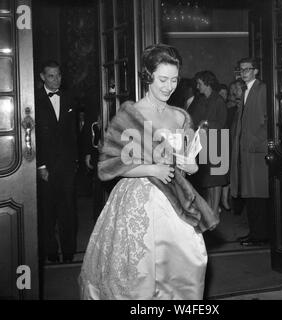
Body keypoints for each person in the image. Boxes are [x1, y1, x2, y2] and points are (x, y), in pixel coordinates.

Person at [79, 44, 219, 300]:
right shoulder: (131, 114)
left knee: (189, 260)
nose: (168, 86)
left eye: (174, 80)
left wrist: (190, 165)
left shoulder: (181, 117)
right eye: (162, 79)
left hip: (175, 196)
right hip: (139, 198)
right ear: (148, 77)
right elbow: (108, 166)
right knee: (141, 271)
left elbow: (191, 163)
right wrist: (151, 167)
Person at [35, 60, 78, 263]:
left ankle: (69, 252)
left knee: (68, 209)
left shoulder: (69, 97)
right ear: (43, 77)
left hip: (67, 164)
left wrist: (77, 158)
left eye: (59, 75)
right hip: (46, 165)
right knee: (47, 210)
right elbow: (32, 135)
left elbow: (74, 132)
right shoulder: (33, 99)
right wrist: (40, 165)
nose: (56, 79)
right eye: (51, 76)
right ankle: (51, 251)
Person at [230, 57, 269, 246]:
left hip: (256, 152)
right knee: (250, 195)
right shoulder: (245, 90)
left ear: (256, 71)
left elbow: (268, 119)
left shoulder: (261, 89)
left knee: (258, 195)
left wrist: (256, 142)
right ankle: (255, 233)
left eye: (247, 69)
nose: (244, 72)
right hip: (245, 151)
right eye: (241, 69)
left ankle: (260, 235)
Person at [188, 71, 228, 216]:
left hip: (218, 142)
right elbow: (192, 118)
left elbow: (222, 123)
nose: (197, 86)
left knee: (216, 180)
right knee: (209, 181)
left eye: (199, 83)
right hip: (204, 143)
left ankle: (214, 211)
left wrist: (206, 123)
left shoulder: (218, 100)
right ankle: (212, 209)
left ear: (207, 83)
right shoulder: (200, 100)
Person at [221, 79, 246, 210]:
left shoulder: (244, 106)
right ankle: (232, 202)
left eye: (236, 89)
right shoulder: (232, 108)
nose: (234, 92)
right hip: (231, 143)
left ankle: (237, 204)